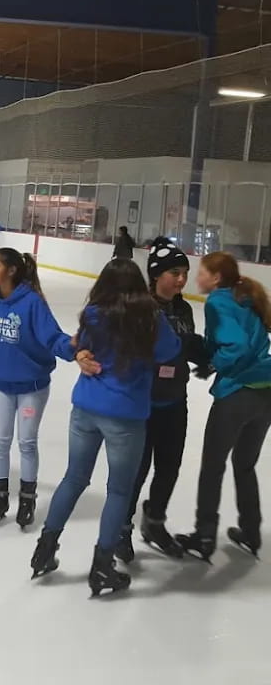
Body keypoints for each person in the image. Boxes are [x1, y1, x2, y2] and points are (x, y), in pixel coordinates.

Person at [30, 259, 181, 597]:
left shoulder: (95, 313)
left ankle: (45, 547)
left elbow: (79, 345)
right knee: (118, 492)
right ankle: (101, 567)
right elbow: (171, 351)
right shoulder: (150, 319)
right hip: (125, 415)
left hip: (86, 407)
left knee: (74, 478)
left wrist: (85, 353)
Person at [0, 249, 75, 528]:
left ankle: (27, 499)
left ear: (10, 271)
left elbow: (52, 337)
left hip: (30, 388)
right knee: (0, 441)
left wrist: (73, 348)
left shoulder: (32, 303)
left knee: (26, 443)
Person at [115, 238, 209, 562]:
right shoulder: (139, 306)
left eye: (184, 272)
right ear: (156, 275)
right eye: (174, 272)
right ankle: (121, 528)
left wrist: (202, 356)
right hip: (142, 404)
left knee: (169, 468)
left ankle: (154, 522)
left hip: (174, 402)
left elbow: (184, 348)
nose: (181, 279)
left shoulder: (182, 308)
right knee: (137, 470)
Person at [176, 252, 271, 561]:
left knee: (213, 465)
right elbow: (247, 341)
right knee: (244, 464)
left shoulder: (218, 301)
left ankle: (204, 536)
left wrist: (214, 363)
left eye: (202, 272)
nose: (197, 278)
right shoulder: (244, 297)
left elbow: (237, 346)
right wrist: (209, 350)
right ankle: (251, 531)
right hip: (265, 393)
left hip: (237, 395)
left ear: (216, 278)